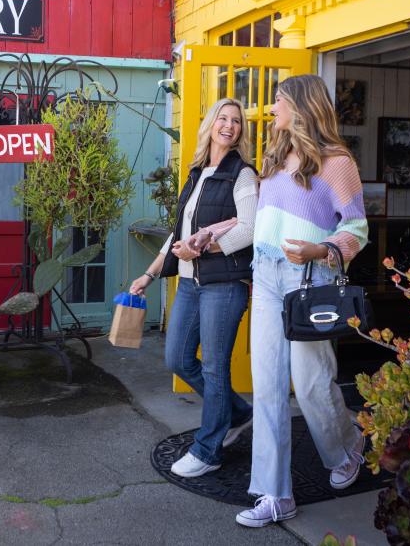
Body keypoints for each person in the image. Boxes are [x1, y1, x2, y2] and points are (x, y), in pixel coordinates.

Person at [235, 74, 369, 528]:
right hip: (267, 276)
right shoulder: (273, 159)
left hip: (309, 277)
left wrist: (322, 250)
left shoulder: (337, 162)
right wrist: (214, 235)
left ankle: (348, 446)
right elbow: (260, 223)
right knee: (267, 387)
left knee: (311, 383)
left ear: (301, 104)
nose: (271, 108)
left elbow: (357, 229)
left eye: (278, 101)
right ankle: (276, 495)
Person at [129, 97, 257, 478]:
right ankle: (236, 412)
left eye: (236, 121)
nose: (229, 126)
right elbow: (177, 235)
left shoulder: (243, 174)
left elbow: (250, 228)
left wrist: (205, 247)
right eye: (223, 118)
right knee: (178, 359)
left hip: (223, 285)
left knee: (216, 369)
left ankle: (208, 449)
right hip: (188, 283)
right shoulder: (197, 172)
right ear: (210, 124)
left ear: (240, 131)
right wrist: (149, 274)